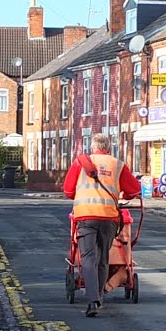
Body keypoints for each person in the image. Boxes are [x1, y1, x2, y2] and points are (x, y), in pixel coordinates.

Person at [63, 133, 141, 317]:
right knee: (103, 257)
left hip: (85, 217)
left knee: (88, 258)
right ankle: (99, 295)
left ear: (93, 147)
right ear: (109, 147)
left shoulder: (80, 163)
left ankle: (92, 300)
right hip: (109, 218)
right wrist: (122, 196)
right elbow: (134, 190)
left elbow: (68, 190)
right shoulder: (118, 164)